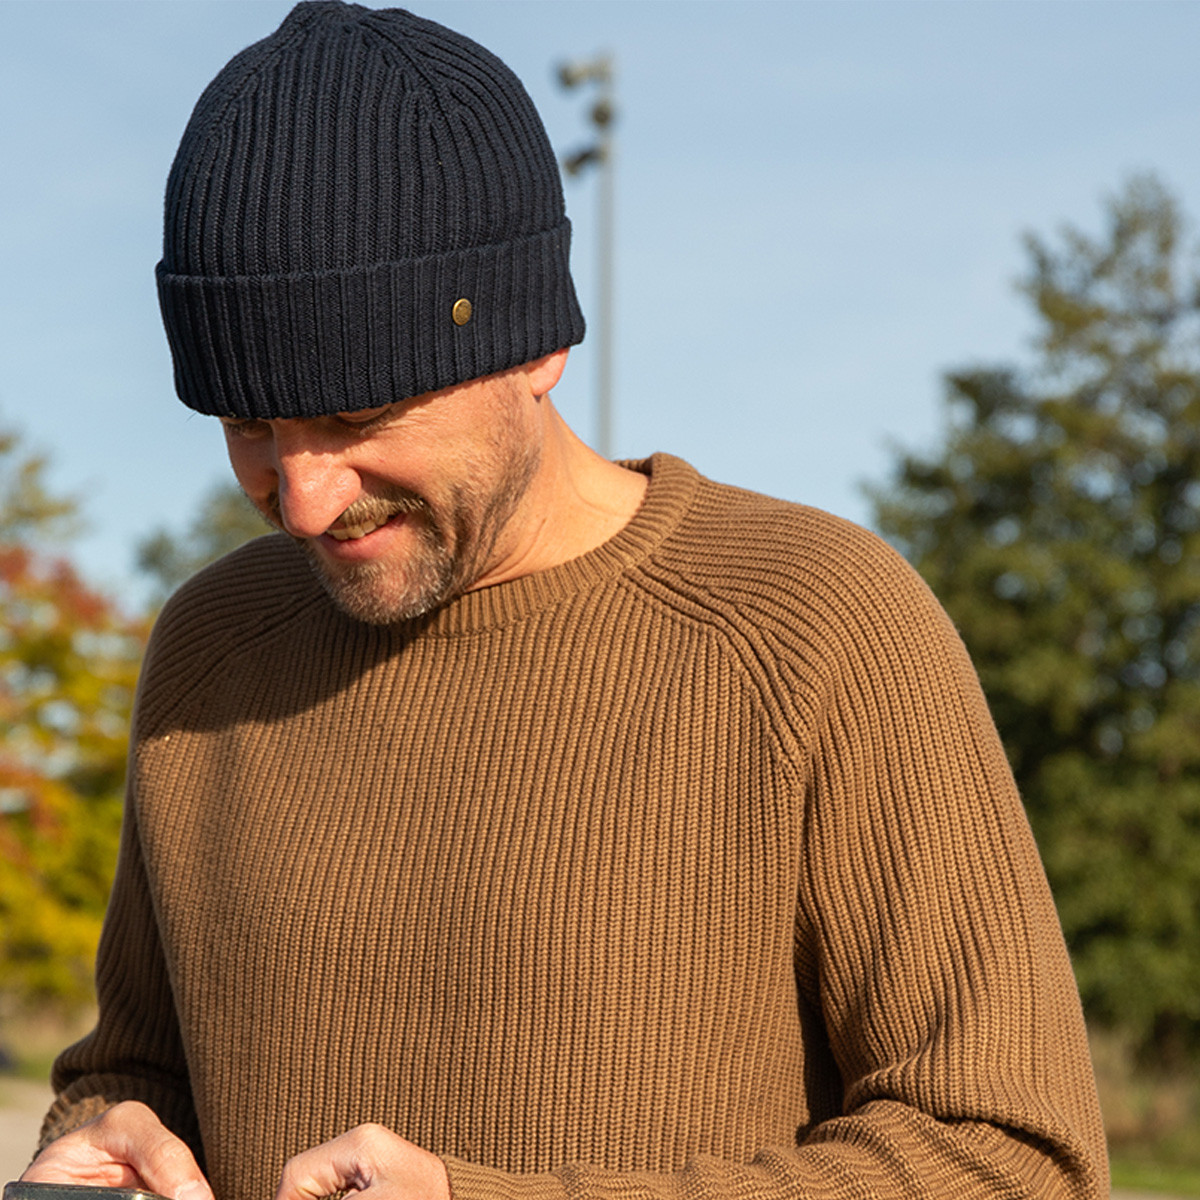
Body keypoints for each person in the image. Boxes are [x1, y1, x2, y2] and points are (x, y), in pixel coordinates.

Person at [24, 4, 1107, 1199]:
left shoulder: (813, 629)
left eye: (354, 418)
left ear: (535, 345)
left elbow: (1014, 1161)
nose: (300, 500)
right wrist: (98, 1150)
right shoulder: (210, 650)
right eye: (249, 426)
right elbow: (133, 1076)